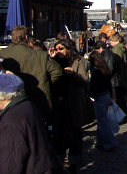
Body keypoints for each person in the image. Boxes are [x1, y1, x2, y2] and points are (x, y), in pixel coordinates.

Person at [0, 73, 64, 174]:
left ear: (3, 96)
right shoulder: (27, 105)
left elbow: (11, 163)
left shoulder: (11, 121)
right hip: (44, 166)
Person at [0, 25, 62, 122]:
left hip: (8, 103)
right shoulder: (40, 55)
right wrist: (46, 82)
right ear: (26, 37)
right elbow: (58, 71)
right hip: (38, 101)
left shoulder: (3, 54)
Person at [50, 39, 89, 173]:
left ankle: (74, 163)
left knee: (74, 135)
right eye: (56, 49)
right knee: (59, 136)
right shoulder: (53, 62)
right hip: (58, 104)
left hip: (73, 103)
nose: (59, 51)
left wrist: (73, 74)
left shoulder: (78, 61)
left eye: (61, 48)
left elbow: (85, 81)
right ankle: (59, 163)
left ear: (68, 49)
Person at [88, 51, 117, 151]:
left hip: (99, 97)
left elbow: (93, 86)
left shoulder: (96, 71)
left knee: (102, 121)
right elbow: (109, 84)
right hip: (106, 95)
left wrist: (90, 95)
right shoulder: (105, 69)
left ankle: (110, 142)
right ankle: (100, 141)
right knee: (102, 120)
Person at [110, 33, 127, 114]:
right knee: (122, 94)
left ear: (116, 41)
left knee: (119, 94)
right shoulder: (124, 48)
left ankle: (122, 112)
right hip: (124, 72)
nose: (110, 42)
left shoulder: (116, 49)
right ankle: (125, 111)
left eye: (111, 40)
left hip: (119, 74)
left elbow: (115, 62)